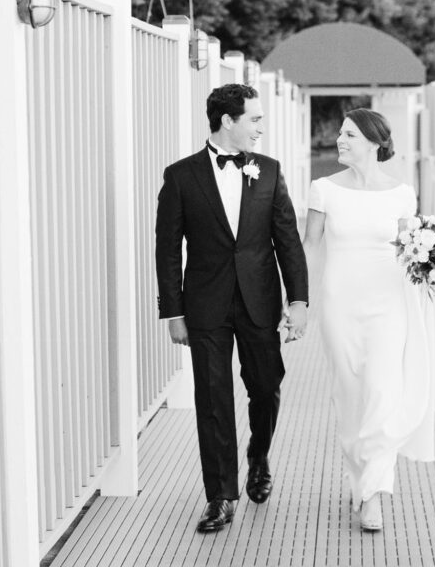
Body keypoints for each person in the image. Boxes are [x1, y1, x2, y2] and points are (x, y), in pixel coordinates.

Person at [155, 83, 308, 534]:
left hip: (260, 300)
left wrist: (297, 300)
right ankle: (220, 495)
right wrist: (173, 312)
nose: (260, 127)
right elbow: (167, 250)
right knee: (213, 398)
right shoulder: (181, 176)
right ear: (228, 121)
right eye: (254, 119)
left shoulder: (269, 170)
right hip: (205, 305)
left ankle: (258, 455)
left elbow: (288, 241)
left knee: (265, 387)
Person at [303, 108, 435, 532]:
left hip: (390, 302)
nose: (340, 140)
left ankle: (373, 494)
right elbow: (310, 246)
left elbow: (410, 249)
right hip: (339, 304)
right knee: (350, 396)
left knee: (383, 391)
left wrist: (434, 264)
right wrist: (297, 299)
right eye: (341, 133)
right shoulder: (323, 189)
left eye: (349, 134)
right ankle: (360, 481)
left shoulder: (402, 193)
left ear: (373, 142)